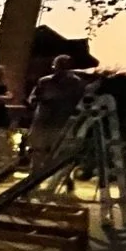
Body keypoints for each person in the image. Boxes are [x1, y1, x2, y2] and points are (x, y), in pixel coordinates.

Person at [25, 54, 88, 184]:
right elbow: (33, 98)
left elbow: (80, 103)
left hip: (62, 123)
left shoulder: (76, 83)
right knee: (38, 152)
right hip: (44, 122)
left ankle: (62, 181)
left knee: (60, 154)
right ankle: (33, 181)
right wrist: (39, 101)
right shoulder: (45, 81)